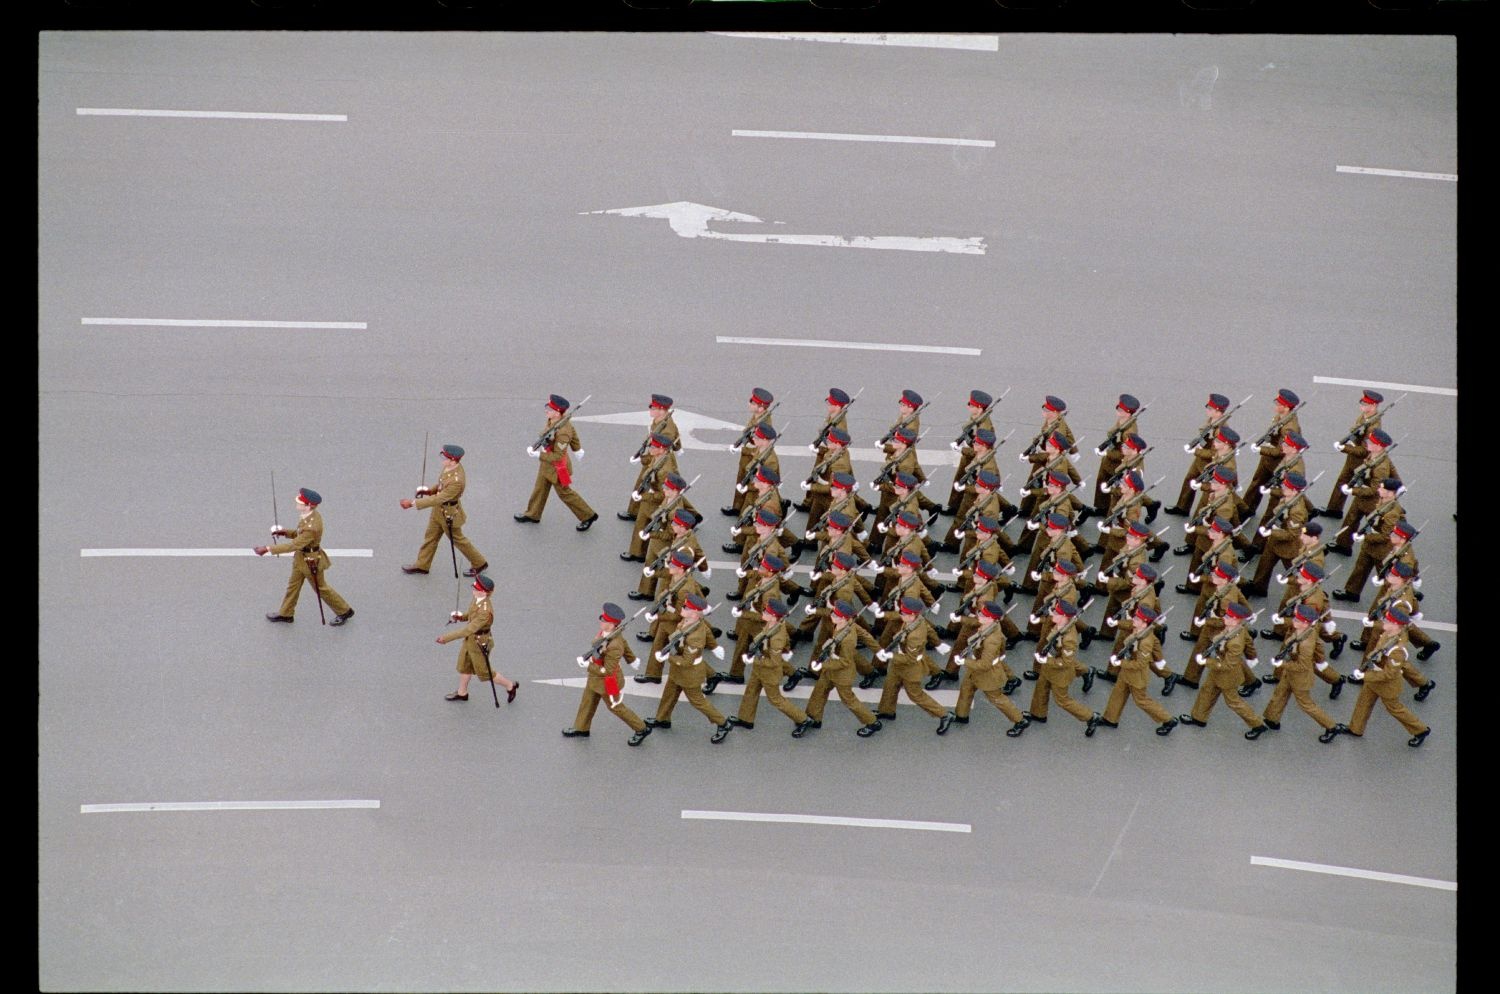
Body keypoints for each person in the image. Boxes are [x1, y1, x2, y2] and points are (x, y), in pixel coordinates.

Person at [255, 487, 354, 625]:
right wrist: (286, 533)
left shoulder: (312, 526)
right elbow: (299, 534)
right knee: (293, 586)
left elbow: (294, 545)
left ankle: (344, 611)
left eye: (300, 502)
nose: (297, 504)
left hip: (310, 561)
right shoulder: (309, 517)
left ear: (309, 506)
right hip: (301, 558)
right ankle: (286, 613)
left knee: (321, 588)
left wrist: (267, 549)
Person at [648, 594, 734, 743]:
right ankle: (662, 719)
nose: (683, 608)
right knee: (669, 694)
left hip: (689, 673)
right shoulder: (690, 622)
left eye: (686, 607)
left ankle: (722, 723)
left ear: (695, 613)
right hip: (678, 670)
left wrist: (667, 657)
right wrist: (714, 646)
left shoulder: (695, 636)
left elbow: (687, 661)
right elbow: (707, 631)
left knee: (698, 701)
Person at [1176, 602, 1268, 739]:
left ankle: (1257, 724)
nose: (1225, 618)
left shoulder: (1235, 642)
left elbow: (1228, 665)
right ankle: (1198, 718)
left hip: (1227, 675)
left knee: (1234, 702)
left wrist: (1206, 661)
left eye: (1229, 617)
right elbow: (1249, 643)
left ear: (1236, 620)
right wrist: (1251, 656)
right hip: (1217, 670)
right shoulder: (1235, 629)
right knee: (1207, 691)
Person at [564, 602, 651, 745]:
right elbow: (626, 645)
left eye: (604, 620)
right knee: (588, 701)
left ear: (611, 625)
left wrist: (588, 665)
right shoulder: (607, 634)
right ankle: (581, 727)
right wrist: (632, 659)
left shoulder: (614, 644)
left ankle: (641, 728)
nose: (601, 620)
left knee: (616, 707)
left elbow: (608, 670)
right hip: (595, 678)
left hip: (607, 681)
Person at [1260, 604, 1348, 743]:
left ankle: (1331, 726)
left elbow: (1302, 665)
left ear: (1305, 623)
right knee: (1280, 694)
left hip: (1300, 677)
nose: (1294, 621)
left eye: (1297, 619)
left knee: (1306, 704)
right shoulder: (1307, 630)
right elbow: (1318, 645)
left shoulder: (1305, 643)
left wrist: (1282, 664)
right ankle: (1272, 719)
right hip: (1291, 673)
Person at [728, 598, 817, 737]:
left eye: (767, 611)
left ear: (774, 617)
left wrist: (756, 659)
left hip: (769, 672)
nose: (763, 612)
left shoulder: (777, 637)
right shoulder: (772, 625)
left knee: (776, 700)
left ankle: (803, 719)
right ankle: (745, 719)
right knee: (751, 691)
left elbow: (775, 662)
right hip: (759, 669)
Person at [1344, 607, 1431, 747]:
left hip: (1387, 684)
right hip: (1375, 676)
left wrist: (1364, 675)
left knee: (1395, 709)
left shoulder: (1397, 651)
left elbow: (1388, 674)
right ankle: (1355, 728)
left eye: (1388, 620)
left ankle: (1420, 730)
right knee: (1364, 701)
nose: (1384, 621)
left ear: (1396, 625)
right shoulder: (1388, 633)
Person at [400, 443, 488, 577]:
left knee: (459, 540)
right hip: (438, 511)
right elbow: (441, 485)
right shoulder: (448, 468)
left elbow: (440, 498)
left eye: (445, 457)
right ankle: (422, 564)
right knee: (430, 537)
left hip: (449, 514)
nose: (443, 459)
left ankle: (479, 563)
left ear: (453, 460)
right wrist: (429, 490)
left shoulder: (457, 480)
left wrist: (413, 503)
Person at [1089, 604, 1177, 737]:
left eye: (1137, 618)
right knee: (1118, 693)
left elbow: (1141, 664)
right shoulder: (1140, 630)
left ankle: (1168, 720)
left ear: (1144, 623)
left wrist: (1121, 663)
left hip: (1137, 676)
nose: (1134, 619)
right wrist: (1116, 623)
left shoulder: (1146, 641)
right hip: (1127, 672)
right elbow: (1129, 625)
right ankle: (1110, 718)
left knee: (1141, 701)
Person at [874, 597, 957, 733]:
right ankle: (886, 711)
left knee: (915, 695)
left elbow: (910, 658)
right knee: (890, 685)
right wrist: (938, 643)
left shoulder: (915, 635)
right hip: (898, 662)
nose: (900, 614)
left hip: (910, 667)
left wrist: (890, 656)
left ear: (912, 615)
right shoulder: (916, 620)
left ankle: (944, 715)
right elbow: (930, 631)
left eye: (903, 613)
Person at [802, 600, 884, 737]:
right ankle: (813, 718)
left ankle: (872, 722)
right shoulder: (847, 624)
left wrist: (823, 665)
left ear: (845, 618)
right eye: (834, 613)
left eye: (836, 615)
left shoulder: (848, 640)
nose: (832, 616)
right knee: (819, 691)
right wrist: (878, 650)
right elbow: (865, 635)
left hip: (842, 674)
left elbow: (845, 662)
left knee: (849, 700)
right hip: (831, 669)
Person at [515, 394, 598, 529]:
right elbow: (573, 433)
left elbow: (558, 456)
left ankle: (588, 515)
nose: (546, 411)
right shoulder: (555, 422)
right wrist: (577, 449)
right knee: (539, 489)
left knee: (565, 494)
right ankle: (533, 514)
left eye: (550, 409)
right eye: (547, 407)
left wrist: (538, 455)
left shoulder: (563, 431)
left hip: (559, 468)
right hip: (547, 465)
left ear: (558, 413)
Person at [950, 601, 1030, 736]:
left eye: (983, 614)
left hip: (987, 673)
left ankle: (1019, 720)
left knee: (997, 698)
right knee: (966, 688)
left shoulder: (992, 639)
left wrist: (964, 661)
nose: (979, 615)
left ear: (991, 619)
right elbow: (975, 623)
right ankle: (961, 715)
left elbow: (985, 665)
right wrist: (961, 619)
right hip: (976, 668)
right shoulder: (989, 626)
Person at [436, 573, 517, 703]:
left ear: (484, 592)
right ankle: (462, 693)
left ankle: (510, 685)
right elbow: (471, 614)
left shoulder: (485, 611)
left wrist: (446, 638)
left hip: (480, 642)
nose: (473, 589)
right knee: (464, 666)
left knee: (485, 673)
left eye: (476, 588)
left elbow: (468, 629)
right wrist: (461, 617)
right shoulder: (477, 599)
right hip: (471, 640)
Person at [1320, 388, 1384, 520]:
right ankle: (1334, 509)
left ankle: (1376, 515)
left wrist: (1344, 448)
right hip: (1353, 457)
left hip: (1361, 461)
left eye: (1366, 404)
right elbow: (1355, 431)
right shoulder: (1364, 416)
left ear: (1374, 406)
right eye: (1363, 403)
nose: (1362, 406)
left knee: (1365, 490)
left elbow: (1365, 450)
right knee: (1342, 481)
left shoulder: (1373, 427)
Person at [619, 394, 681, 522]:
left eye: (653, 408)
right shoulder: (659, 421)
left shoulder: (667, 428)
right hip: (655, 457)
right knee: (644, 483)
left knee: (667, 488)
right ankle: (634, 511)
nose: (650, 410)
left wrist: (643, 458)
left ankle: (692, 514)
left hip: (661, 460)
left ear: (662, 410)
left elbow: (664, 448)